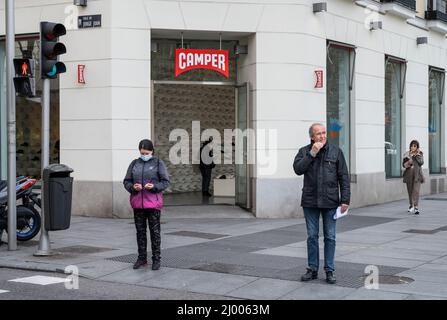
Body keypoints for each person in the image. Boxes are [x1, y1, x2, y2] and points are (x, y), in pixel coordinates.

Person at [293, 123, 350, 284]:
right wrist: (312, 154)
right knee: (312, 236)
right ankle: (312, 269)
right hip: (310, 201)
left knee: (330, 237)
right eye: (318, 134)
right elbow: (297, 169)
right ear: (312, 137)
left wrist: (345, 200)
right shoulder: (304, 151)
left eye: (324, 133)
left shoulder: (336, 152)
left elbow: (343, 177)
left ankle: (329, 270)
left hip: (331, 201)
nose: (322, 136)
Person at [123, 139, 170, 270]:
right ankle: (141, 258)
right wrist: (133, 187)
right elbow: (126, 181)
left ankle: (156, 259)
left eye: (147, 152)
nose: (144, 155)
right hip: (138, 204)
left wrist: (154, 186)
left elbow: (165, 182)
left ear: (152, 151)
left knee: (155, 233)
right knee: (140, 232)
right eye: (142, 152)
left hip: (153, 204)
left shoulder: (158, 163)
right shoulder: (134, 164)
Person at [403, 140, 424, 215]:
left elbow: (421, 162)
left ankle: (416, 207)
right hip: (409, 174)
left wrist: (417, 156)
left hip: (417, 175)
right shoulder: (406, 154)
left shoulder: (420, 154)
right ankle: (411, 205)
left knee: (416, 191)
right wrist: (410, 161)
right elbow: (404, 165)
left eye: (415, 146)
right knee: (410, 191)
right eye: (412, 146)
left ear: (417, 147)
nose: (413, 147)